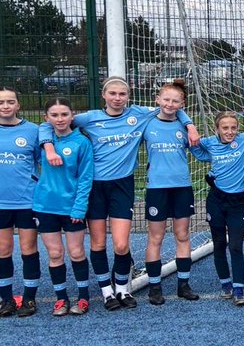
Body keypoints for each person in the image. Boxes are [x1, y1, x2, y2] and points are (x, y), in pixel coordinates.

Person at [40, 76, 199, 310]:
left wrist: (190, 125)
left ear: (128, 96)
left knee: (122, 245)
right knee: (97, 244)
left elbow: (172, 108)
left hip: (122, 186)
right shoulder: (90, 118)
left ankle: (123, 289)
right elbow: (51, 122)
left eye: (122, 94)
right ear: (104, 95)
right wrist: (49, 145)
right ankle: (106, 292)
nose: (117, 98)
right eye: (112, 93)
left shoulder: (139, 114)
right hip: (95, 186)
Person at [32, 97, 93, 316]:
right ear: (47, 118)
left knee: (76, 252)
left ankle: (83, 297)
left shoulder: (82, 143)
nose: (60, 119)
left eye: (64, 114)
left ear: (72, 116)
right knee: (55, 254)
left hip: (71, 208)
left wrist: (79, 208)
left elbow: (86, 179)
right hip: (45, 206)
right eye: (55, 115)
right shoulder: (42, 141)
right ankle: (61, 299)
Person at [139, 81, 198, 305]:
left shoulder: (184, 127)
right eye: (166, 99)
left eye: (175, 101)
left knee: (182, 235)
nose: (170, 104)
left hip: (181, 187)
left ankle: (183, 284)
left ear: (182, 104)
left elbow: (199, 150)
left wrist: (190, 126)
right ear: (157, 99)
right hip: (157, 188)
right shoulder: (146, 123)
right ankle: (155, 286)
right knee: (156, 237)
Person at [190, 111, 244, 305]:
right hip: (216, 201)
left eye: (233, 127)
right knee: (218, 243)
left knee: (235, 245)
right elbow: (195, 146)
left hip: (238, 202)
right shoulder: (209, 143)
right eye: (225, 128)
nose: (230, 131)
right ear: (217, 129)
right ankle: (226, 284)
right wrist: (191, 135)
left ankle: (239, 289)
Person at [0, 87, 40, 317]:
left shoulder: (33, 131)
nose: (5, 106)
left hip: (26, 201)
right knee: (3, 249)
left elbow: (42, 162)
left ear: (18, 105)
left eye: (10, 101)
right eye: (1, 102)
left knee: (28, 249)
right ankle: (6, 299)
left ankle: (29, 298)